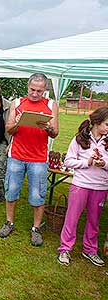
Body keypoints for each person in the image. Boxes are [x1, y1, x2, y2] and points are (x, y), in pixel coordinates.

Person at [0, 73, 59, 247]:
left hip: (39, 157)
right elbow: (9, 129)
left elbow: (55, 132)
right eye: (32, 89)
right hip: (16, 155)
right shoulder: (17, 103)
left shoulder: (51, 105)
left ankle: (36, 228)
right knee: (11, 191)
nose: (35, 93)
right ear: (28, 87)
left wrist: (48, 128)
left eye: (39, 90)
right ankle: (9, 222)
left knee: (37, 194)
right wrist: (18, 122)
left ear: (45, 90)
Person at [57, 107, 108, 267]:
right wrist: (86, 163)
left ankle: (90, 250)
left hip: (101, 186)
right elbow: (68, 161)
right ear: (97, 122)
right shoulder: (79, 139)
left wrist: (104, 163)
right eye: (107, 124)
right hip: (80, 185)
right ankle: (65, 249)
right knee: (72, 218)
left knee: (94, 221)